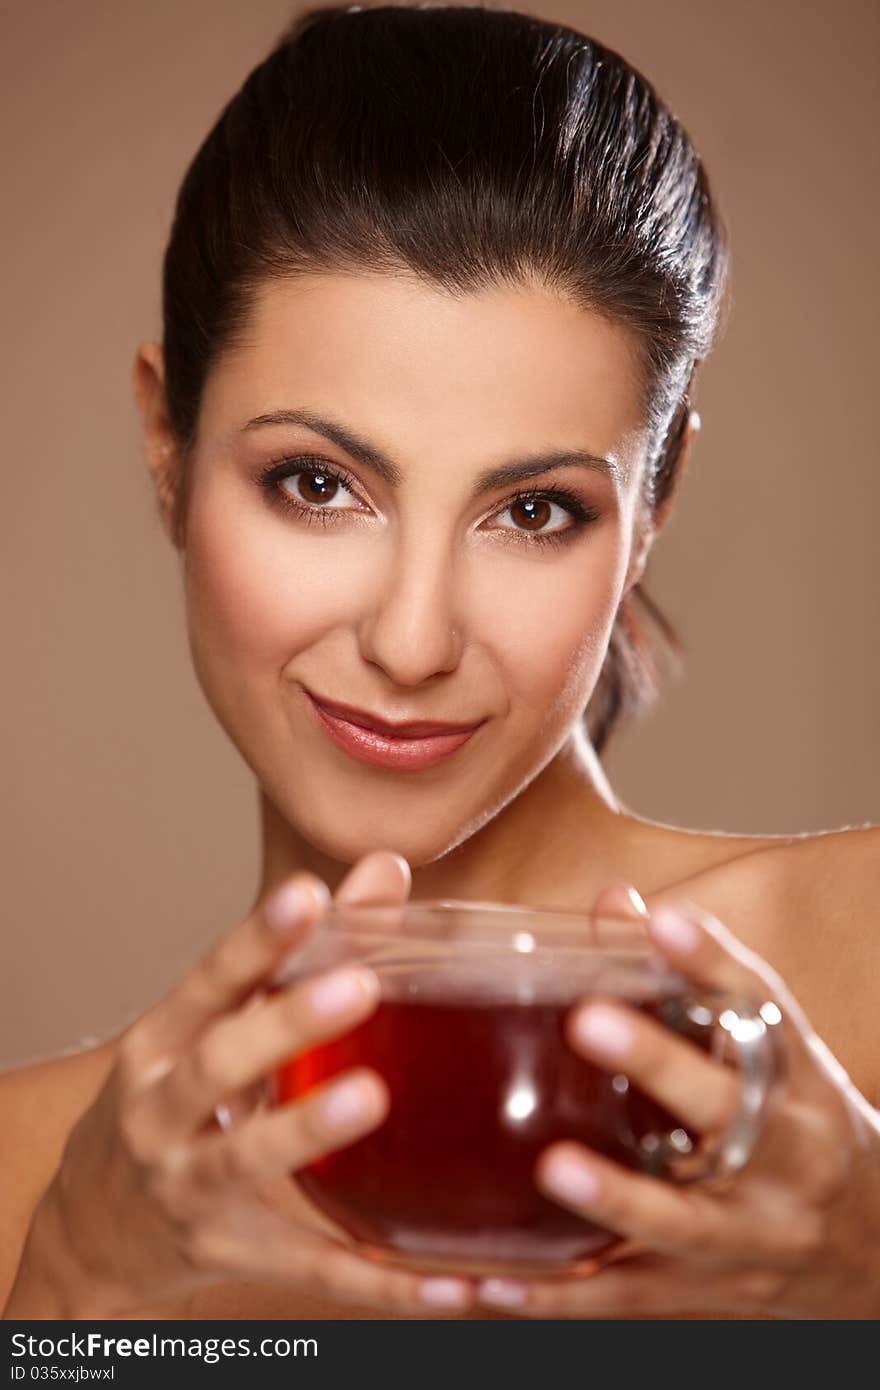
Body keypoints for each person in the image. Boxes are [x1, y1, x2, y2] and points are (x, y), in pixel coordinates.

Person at [2, 2, 877, 1322]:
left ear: (656, 502)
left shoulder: (854, 973)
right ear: (166, 442)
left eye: (535, 511)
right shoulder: (47, 1172)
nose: (412, 641)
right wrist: (75, 1302)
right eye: (315, 482)